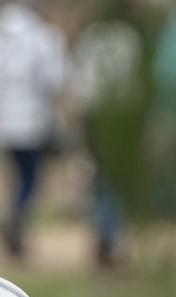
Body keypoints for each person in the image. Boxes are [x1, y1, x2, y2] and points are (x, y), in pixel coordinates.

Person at [0, 1, 69, 259]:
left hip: (2, 125)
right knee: (30, 178)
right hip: (32, 123)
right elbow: (55, 80)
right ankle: (14, 222)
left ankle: (15, 229)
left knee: (17, 177)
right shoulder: (44, 37)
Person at [71, 2, 145, 267]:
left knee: (99, 176)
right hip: (119, 115)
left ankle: (103, 235)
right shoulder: (129, 38)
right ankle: (109, 237)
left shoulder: (92, 37)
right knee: (115, 179)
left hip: (94, 115)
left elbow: (80, 85)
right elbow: (134, 86)